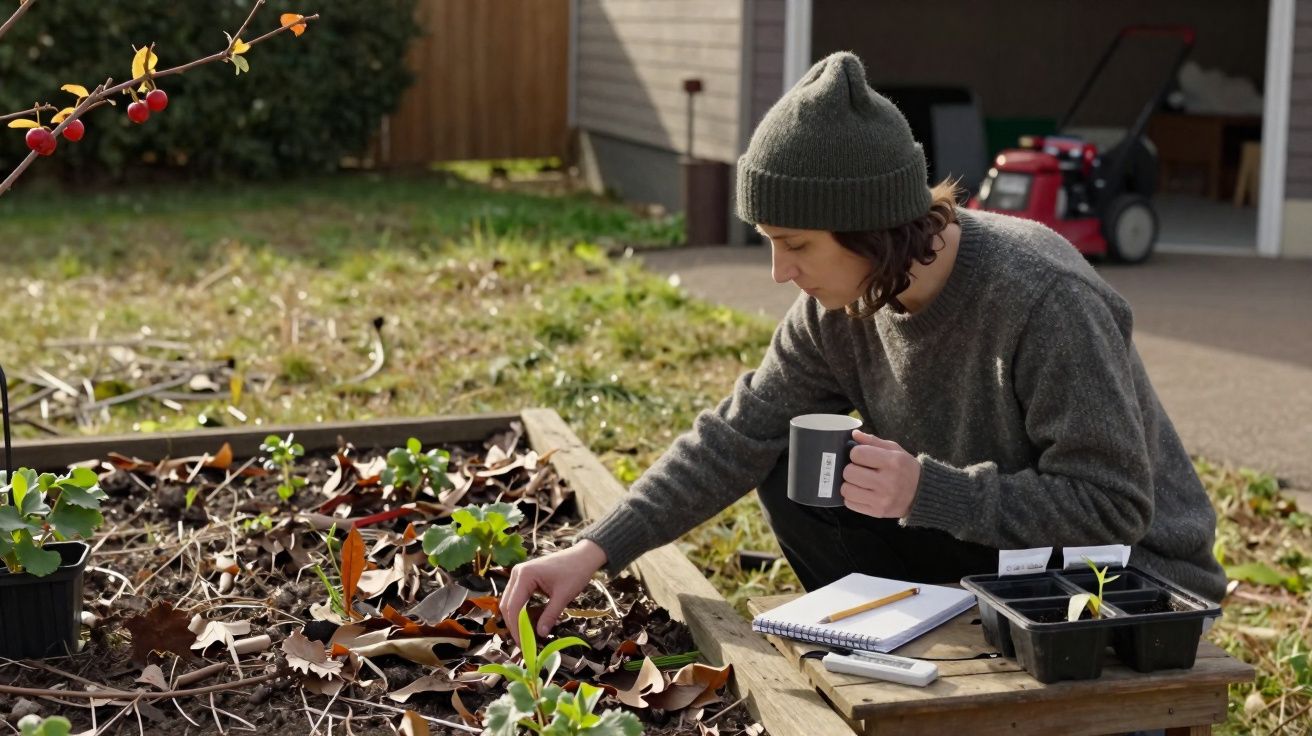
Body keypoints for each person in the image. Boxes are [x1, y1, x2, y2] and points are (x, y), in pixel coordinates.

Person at [501, 51, 1226, 642]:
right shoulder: (839, 305)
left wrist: (927, 490)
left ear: (871, 227)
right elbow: (736, 435)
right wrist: (594, 549)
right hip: (1001, 552)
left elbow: (1113, 506)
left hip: (1128, 582)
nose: (781, 273)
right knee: (789, 460)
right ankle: (888, 637)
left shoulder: (1043, 298)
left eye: (796, 246)